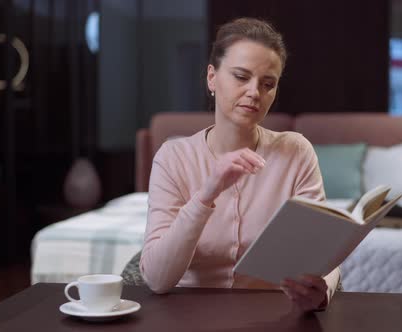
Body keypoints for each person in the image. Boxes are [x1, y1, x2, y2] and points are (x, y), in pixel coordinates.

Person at [140, 17, 341, 312]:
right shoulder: (173, 157)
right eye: (241, 76)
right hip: (188, 317)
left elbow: (322, 254)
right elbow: (157, 279)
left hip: (274, 315)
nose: (254, 92)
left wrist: (322, 293)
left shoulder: (296, 152)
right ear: (212, 77)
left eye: (267, 83)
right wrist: (208, 192)